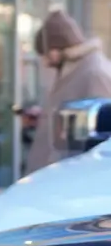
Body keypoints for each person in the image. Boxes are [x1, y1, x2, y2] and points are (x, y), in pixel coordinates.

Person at [24, 9, 111, 174]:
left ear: (55, 49)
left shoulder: (94, 73)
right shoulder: (71, 71)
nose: (44, 61)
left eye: (44, 53)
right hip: (56, 175)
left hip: (73, 177)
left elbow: (102, 133)